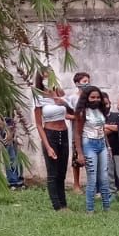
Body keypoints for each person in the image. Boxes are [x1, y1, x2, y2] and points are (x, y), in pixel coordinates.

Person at [36, 80, 72, 211]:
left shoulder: (60, 93)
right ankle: (57, 206)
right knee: (53, 173)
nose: (47, 78)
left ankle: (64, 204)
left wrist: (64, 102)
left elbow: (72, 110)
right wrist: (48, 146)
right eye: (44, 75)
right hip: (50, 134)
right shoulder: (39, 97)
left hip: (64, 132)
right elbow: (39, 124)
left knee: (62, 172)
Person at [77, 85, 113, 213]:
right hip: (89, 145)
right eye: (92, 97)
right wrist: (80, 153)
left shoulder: (101, 110)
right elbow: (77, 134)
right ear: (86, 98)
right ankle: (90, 210)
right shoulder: (82, 112)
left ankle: (107, 208)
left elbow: (103, 130)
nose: (95, 99)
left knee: (104, 177)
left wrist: (108, 146)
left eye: (98, 97)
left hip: (101, 144)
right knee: (92, 178)